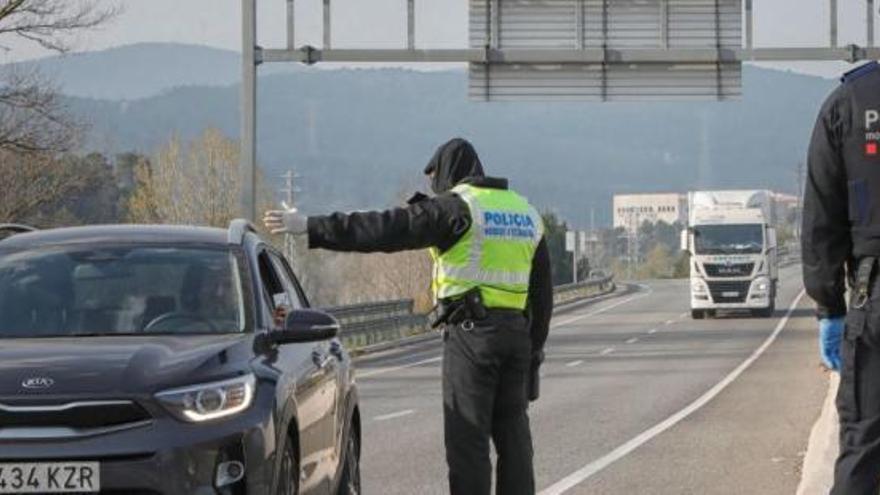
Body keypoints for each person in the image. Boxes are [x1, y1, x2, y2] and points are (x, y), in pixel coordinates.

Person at [264, 138, 553, 495]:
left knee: (468, 442)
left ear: (449, 173)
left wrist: (311, 226)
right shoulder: (525, 213)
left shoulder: (457, 209)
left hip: (471, 337)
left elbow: (385, 228)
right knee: (515, 441)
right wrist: (534, 352)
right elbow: (543, 296)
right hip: (517, 340)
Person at [802, 60, 880, 495]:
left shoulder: (850, 102)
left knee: (863, 442)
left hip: (875, 297)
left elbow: (821, 219)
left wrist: (828, 305)